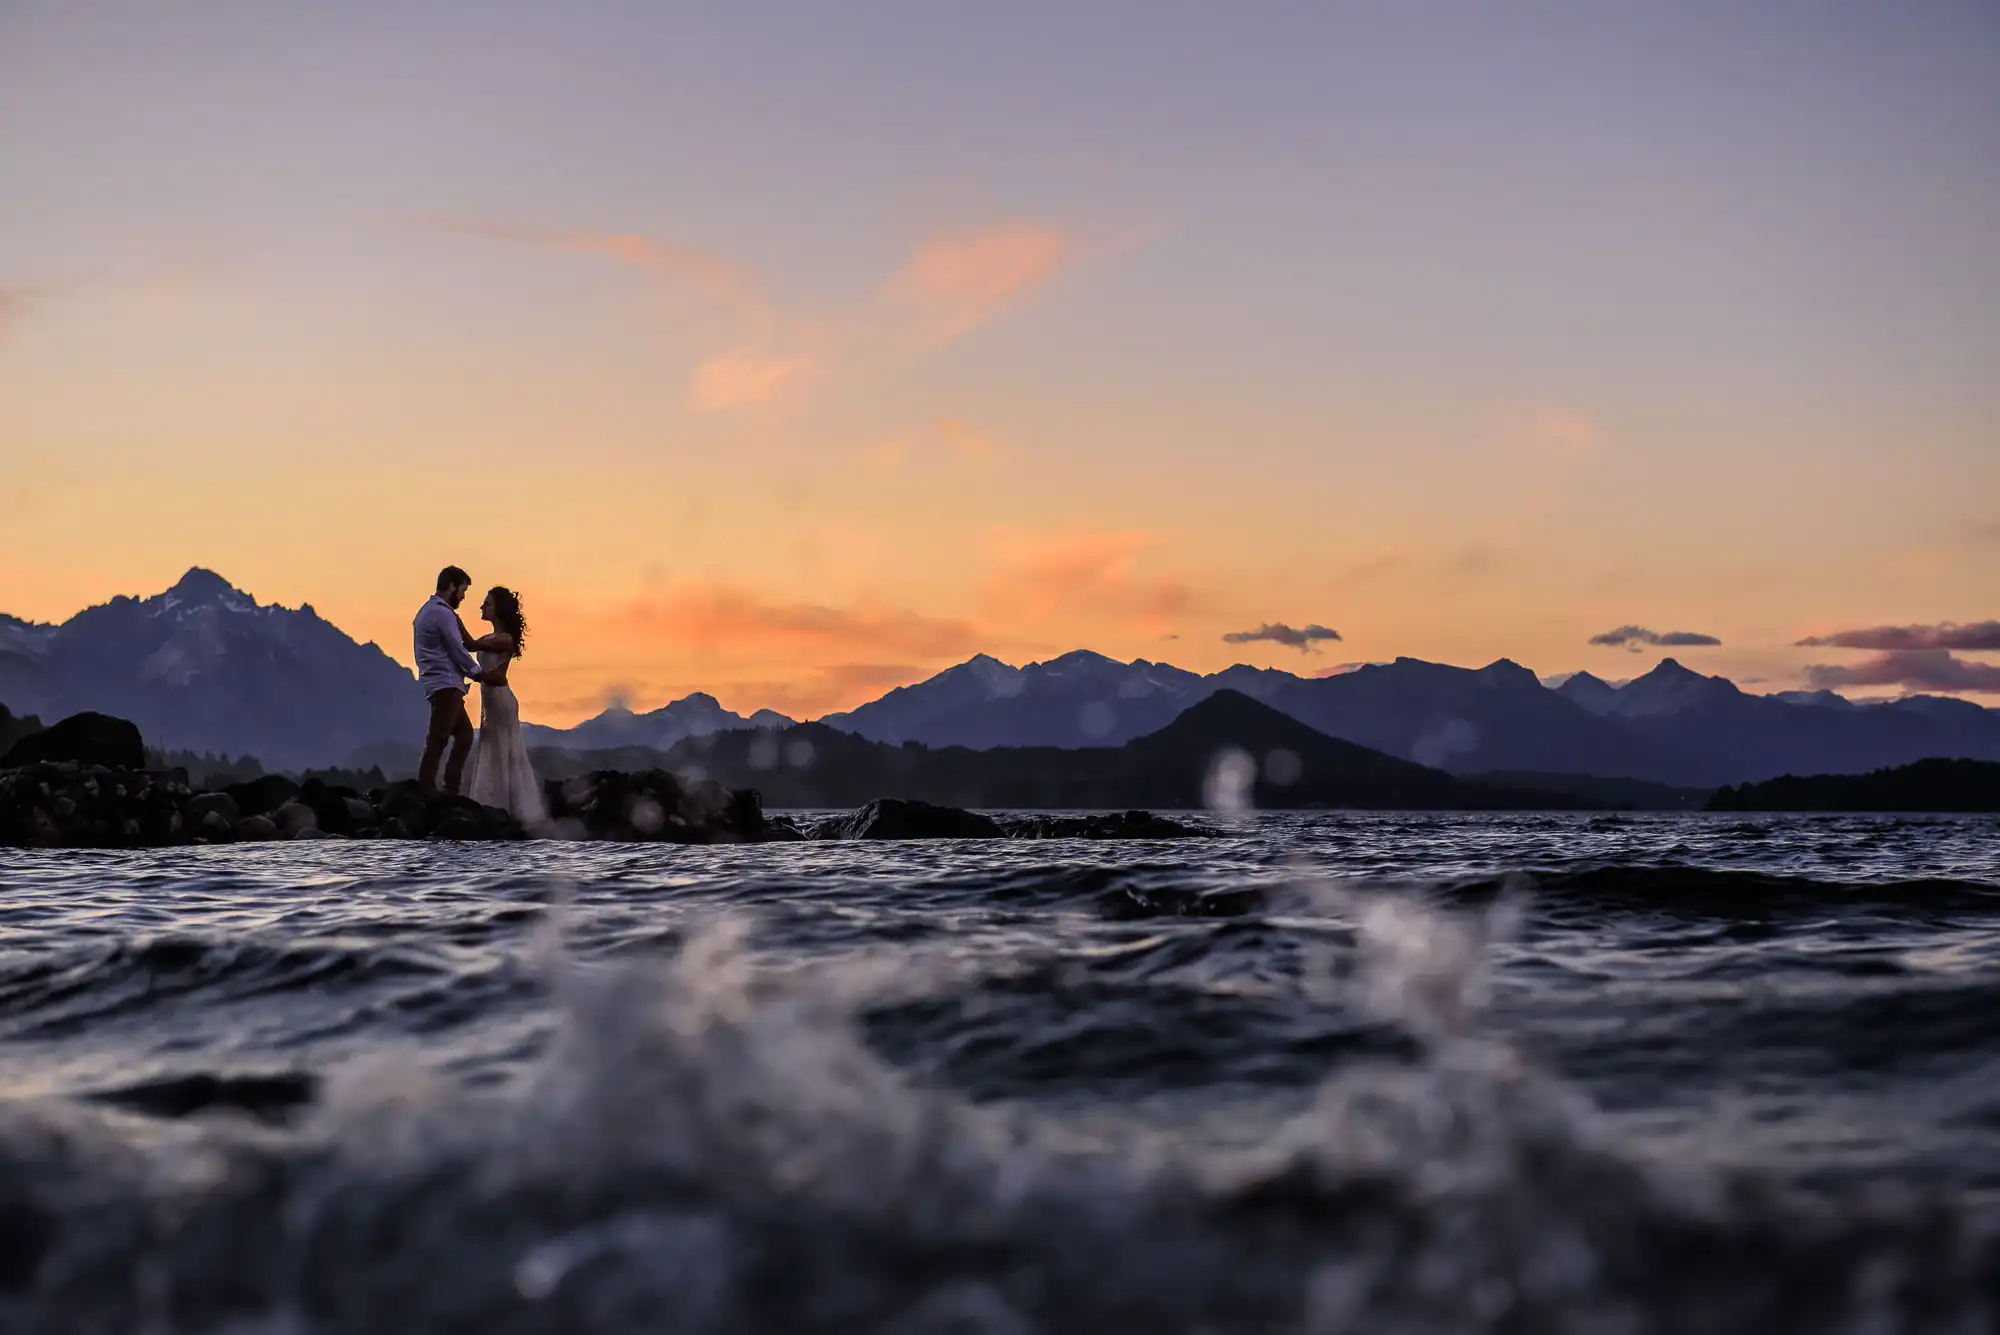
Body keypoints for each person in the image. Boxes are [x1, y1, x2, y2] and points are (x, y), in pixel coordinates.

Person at [462, 586, 548, 827]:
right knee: (492, 746)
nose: (481, 606)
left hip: (500, 700)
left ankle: (505, 807)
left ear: (498, 609)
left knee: (501, 748)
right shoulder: (491, 638)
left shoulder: (504, 639)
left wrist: (451, 617)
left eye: (486, 603)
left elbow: (469, 645)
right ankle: (495, 804)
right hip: (491, 701)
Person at [412, 566, 489, 794]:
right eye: (462, 590)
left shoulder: (427, 611)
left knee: (464, 735)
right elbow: (458, 649)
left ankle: (449, 787)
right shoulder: (442, 614)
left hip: (442, 683)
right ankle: (426, 789)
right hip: (446, 684)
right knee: (438, 738)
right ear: (452, 586)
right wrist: (479, 673)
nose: (463, 597)